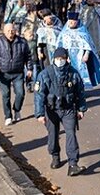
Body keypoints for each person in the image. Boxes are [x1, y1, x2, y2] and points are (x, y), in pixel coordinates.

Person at [34, 47, 87, 177]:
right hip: (51, 110)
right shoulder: (45, 74)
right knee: (53, 135)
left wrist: (81, 109)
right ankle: (55, 156)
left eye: (62, 58)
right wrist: (39, 113)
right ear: (53, 59)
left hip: (68, 109)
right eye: (58, 59)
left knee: (71, 134)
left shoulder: (73, 73)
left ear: (67, 59)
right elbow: (39, 94)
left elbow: (80, 92)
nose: (60, 61)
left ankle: (73, 164)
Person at [0, 23, 32, 126]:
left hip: (18, 72)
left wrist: (29, 68)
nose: (10, 33)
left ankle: (16, 109)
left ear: (15, 31)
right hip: (3, 73)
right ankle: (8, 116)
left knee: (20, 93)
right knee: (5, 95)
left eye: (12, 30)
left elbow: (28, 56)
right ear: (4, 31)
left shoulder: (22, 42)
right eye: (8, 31)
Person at [56, 11, 100, 88]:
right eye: (70, 21)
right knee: (70, 74)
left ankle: (81, 90)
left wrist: (86, 54)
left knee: (81, 74)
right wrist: (65, 57)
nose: (72, 23)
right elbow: (60, 46)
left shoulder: (82, 31)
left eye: (74, 21)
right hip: (69, 57)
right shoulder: (64, 33)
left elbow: (88, 45)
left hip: (81, 57)